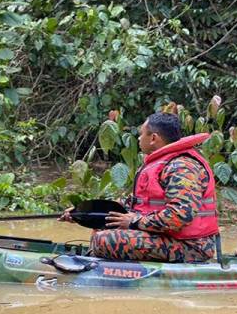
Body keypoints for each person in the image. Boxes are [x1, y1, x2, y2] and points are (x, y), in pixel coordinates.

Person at [60, 112, 218, 263]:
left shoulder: (182, 166)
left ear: (153, 138)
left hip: (192, 246)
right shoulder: (163, 163)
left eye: (141, 134)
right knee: (101, 229)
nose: (139, 138)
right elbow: (137, 203)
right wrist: (82, 212)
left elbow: (179, 216)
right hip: (169, 237)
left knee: (106, 240)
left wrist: (134, 221)